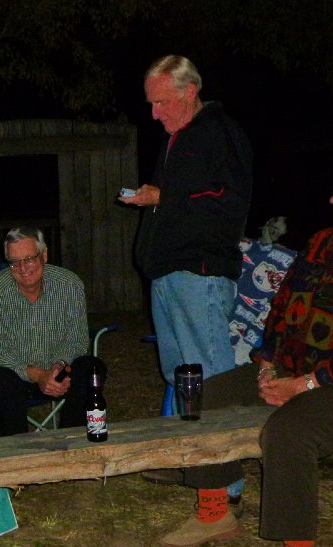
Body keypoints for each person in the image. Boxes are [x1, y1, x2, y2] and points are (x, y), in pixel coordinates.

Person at [160, 171, 333, 547]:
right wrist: (268, 364)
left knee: (288, 433)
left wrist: (305, 385)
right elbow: (280, 308)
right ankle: (213, 511)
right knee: (206, 396)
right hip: (289, 367)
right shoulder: (321, 244)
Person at [119, 54, 252, 390]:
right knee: (181, 377)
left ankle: (224, 443)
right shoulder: (176, 136)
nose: (154, 113)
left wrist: (162, 197)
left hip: (198, 273)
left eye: (161, 102)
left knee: (209, 378)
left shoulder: (218, 133)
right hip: (167, 274)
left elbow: (228, 202)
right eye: (151, 103)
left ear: (189, 91)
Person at [0, 225, 105, 437]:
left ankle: (70, 442)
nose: (23, 268)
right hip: (14, 374)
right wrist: (37, 375)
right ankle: (18, 452)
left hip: (60, 370)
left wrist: (58, 366)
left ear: (44, 255)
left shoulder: (70, 284)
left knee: (92, 368)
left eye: (29, 258)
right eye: (15, 262)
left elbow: (77, 340)